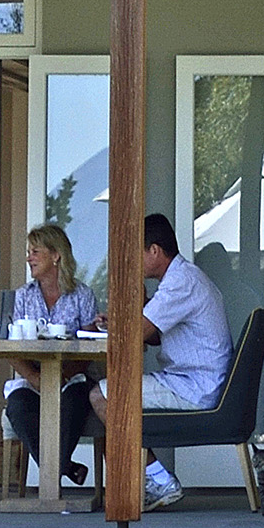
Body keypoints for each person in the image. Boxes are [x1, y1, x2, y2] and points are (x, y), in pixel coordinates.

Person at [89, 211, 230, 506]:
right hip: (191, 380)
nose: (133, 261)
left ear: (154, 251)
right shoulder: (181, 278)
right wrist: (126, 317)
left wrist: (121, 321)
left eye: (136, 253)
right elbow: (153, 335)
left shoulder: (181, 281)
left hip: (194, 387)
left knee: (101, 394)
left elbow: (137, 333)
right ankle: (142, 481)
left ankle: (159, 481)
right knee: (107, 390)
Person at [0, 222, 102, 495]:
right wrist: (34, 378)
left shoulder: (82, 295)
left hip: (71, 377)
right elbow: (10, 346)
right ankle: (64, 468)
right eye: (29, 252)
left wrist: (63, 375)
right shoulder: (22, 296)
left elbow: (92, 346)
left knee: (77, 398)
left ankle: (52, 475)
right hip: (33, 377)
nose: (29, 258)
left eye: (36, 252)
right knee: (17, 406)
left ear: (56, 256)